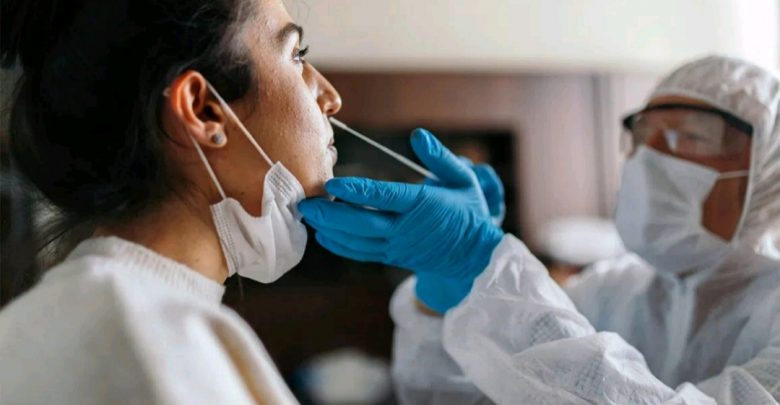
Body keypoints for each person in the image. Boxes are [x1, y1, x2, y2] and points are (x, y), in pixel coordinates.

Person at [299, 55, 780, 404]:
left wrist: (481, 261)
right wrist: (447, 300)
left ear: (768, 171)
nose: (648, 158)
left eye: (688, 137)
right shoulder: (610, 291)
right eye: (642, 135)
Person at [0, 0, 344, 403]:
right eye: (297, 56)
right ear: (203, 110)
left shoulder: (70, 316)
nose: (331, 98)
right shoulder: (148, 344)